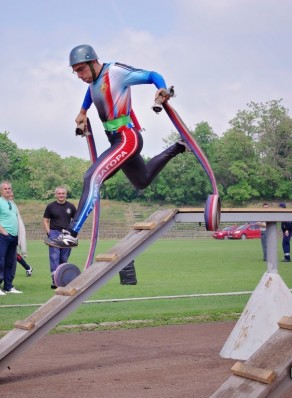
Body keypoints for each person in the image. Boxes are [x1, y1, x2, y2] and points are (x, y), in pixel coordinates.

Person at [45, 44, 187, 249]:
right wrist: (83, 111)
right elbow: (91, 92)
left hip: (127, 138)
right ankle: (178, 147)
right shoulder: (93, 82)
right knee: (142, 180)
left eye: (81, 70)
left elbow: (152, 75)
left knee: (92, 177)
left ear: (94, 62)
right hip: (116, 140)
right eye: (75, 72)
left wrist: (161, 88)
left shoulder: (116, 72)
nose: (79, 75)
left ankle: (72, 233)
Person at [0, 191, 32, 278]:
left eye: (12, 196)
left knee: (12, 260)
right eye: (9, 195)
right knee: (0, 260)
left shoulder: (14, 207)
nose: (11, 197)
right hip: (1, 238)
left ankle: (9, 282)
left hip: (13, 237)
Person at [0, 181, 22, 295]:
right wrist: (4, 232)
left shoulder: (12, 203)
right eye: (5, 189)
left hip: (14, 236)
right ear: (1, 191)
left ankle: (8, 286)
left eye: (9, 188)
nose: (8, 190)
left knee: (10, 262)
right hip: (3, 236)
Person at [43, 186, 76, 288]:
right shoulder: (50, 206)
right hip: (54, 233)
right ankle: (54, 280)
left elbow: (76, 220)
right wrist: (49, 233)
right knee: (54, 257)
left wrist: (73, 233)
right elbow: (45, 220)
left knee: (64, 257)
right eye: (59, 193)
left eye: (63, 193)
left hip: (67, 235)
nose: (61, 195)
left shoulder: (71, 206)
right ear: (55, 194)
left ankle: (62, 279)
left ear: (66, 194)